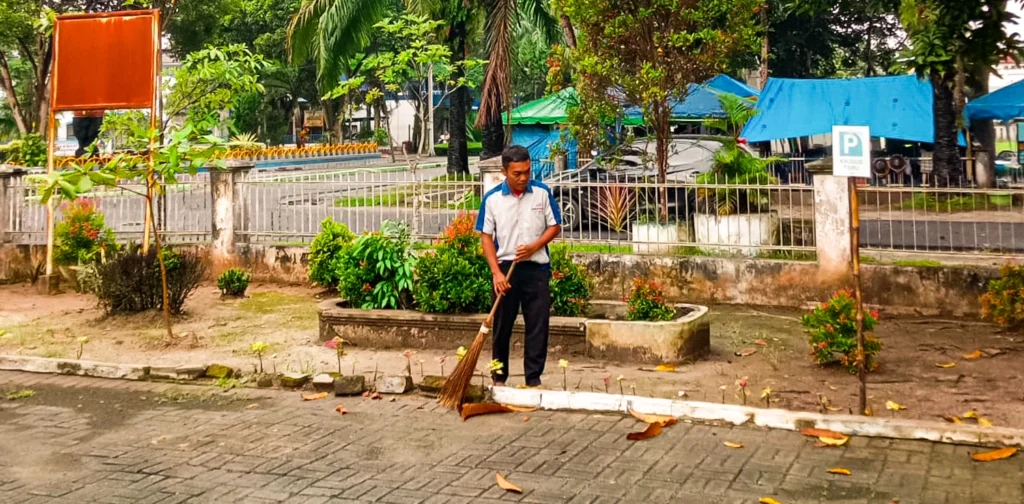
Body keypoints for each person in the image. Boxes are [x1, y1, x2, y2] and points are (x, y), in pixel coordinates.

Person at [475, 145, 562, 387]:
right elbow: (485, 236)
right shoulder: (492, 200)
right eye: (517, 173)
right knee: (502, 327)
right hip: (505, 271)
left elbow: (555, 227)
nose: (523, 178)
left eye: (526, 171)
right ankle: (499, 377)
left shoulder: (542, 193)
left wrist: (535, 246)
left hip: (536, 269)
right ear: (504, 172)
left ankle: (533, 379)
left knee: (537, 326)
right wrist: (495, 273)